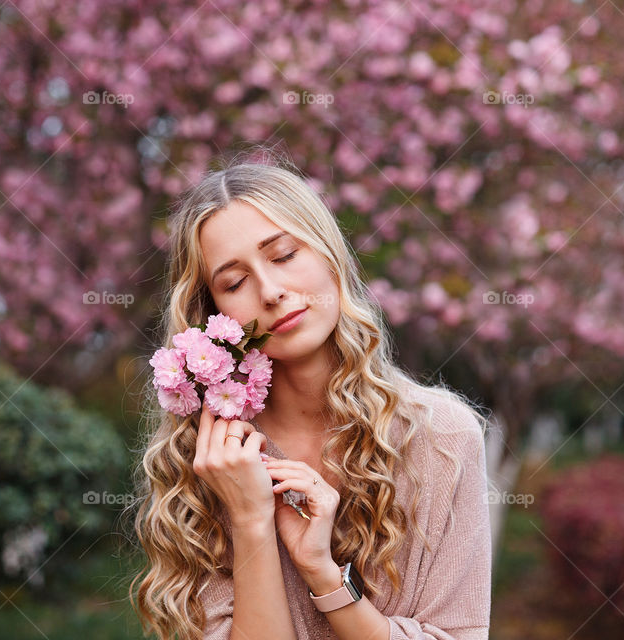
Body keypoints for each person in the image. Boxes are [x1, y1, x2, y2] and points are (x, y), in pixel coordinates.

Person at [126, 144, 492, 640]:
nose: (271, 290)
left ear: (329, 253)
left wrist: (323, 574)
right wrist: (251, 519)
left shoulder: (442, 439)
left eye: (284, 255)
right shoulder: (210, 462)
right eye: (234, 282)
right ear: (214, 316)